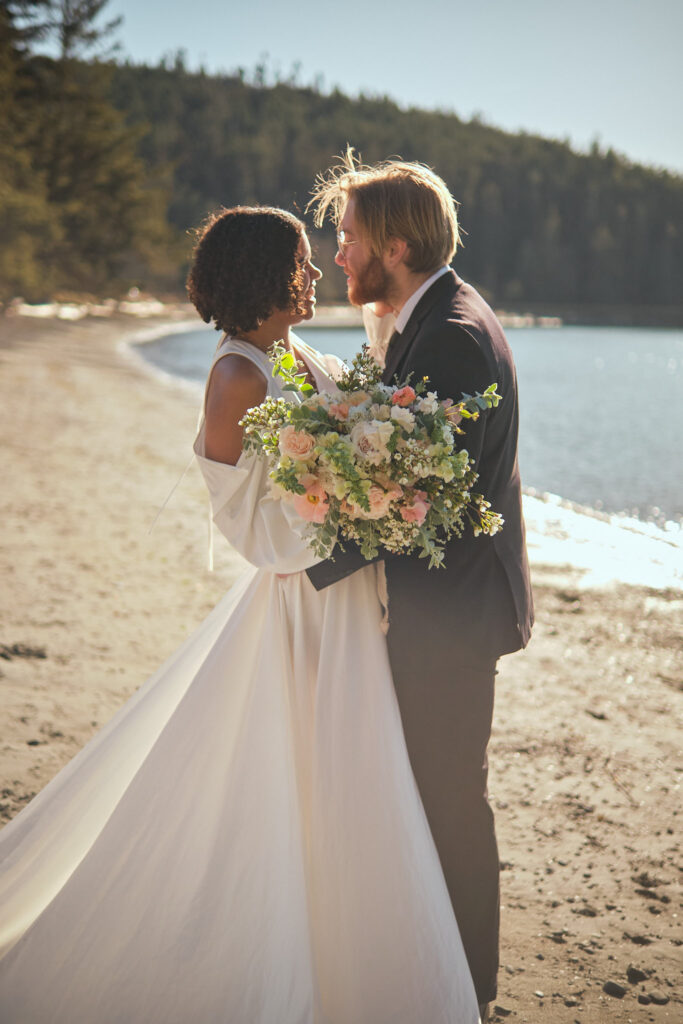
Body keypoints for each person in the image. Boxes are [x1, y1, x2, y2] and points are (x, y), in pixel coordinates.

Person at [0, 205, 481, 1023]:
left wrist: (382, 478)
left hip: (344, 602)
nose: (315, 273)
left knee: (346, 774)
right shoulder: (237, 376)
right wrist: (353, 522)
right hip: (304, 606)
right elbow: (244, 524)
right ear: (264, 274)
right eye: (300, 260)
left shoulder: (290, 353)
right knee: (299, 778)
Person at [306, 153, 535, 1017]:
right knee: (429, 796)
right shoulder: (424, 316)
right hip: (443, 608)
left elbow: (419, 499)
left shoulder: (451, 335)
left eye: (348, 238)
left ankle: (466, 994)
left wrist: (307, 566)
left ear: (394, 244)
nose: (338, 255)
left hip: (451, 618)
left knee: (449, 804)